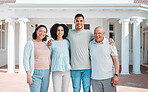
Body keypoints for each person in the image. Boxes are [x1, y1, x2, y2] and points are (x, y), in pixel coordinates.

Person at [89, 26, 119, 92]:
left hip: (109, 78)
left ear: (103, 33)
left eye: (99, 33)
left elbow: (115, 60)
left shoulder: (109, 44)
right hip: (95, 79)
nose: (97, 35)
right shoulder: (90, 44)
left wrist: (116, 75)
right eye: (95, 33)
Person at [23, 25, 50, 92]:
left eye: (44, 32)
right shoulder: (30, 43)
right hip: (35, 73)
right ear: (36, 31)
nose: (42, 33)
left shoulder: (46, 44)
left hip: (46, 72)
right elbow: (25, 59)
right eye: (40, 31)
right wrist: (28, 74)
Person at [49, 24, 71, 92]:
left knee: (65, 90)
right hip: (56, 71)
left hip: (66, 70)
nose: (60, 32)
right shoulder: (52, 43)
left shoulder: (67, 42)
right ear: (55, 32)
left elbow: (70, 54)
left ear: (64, 32)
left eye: (62, 30)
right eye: (58, 30)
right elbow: (49, 57)